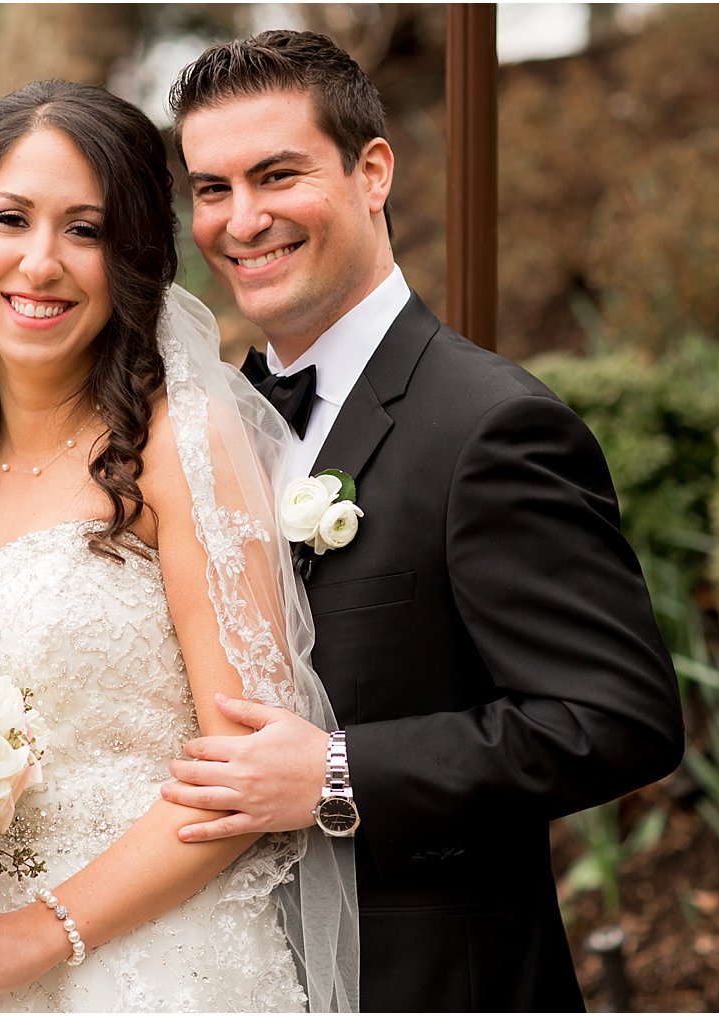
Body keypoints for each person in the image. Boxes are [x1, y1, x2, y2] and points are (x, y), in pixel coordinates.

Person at [157, 29, 686, 1012]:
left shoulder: (488, 426)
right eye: (212, 188)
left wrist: (334, 772)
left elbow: (615, 718)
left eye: (276, 174)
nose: (242, 218)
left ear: (371, 171)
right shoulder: (198, 438)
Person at [0, 79, 358, 1013]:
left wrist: (36, 933)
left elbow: (244, 778)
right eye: (12, 218)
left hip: (138, 966)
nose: (40, 263)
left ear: (134, 262)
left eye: (85, 230)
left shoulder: (178, 448)